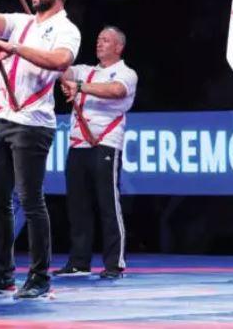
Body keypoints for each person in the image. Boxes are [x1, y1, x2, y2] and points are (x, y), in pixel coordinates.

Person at [0, 0, 81, 299]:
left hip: (32, 124)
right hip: (2, 117)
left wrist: (12, 48)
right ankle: (1, 274)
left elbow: (60, 61)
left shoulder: (66, 29)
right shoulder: (21, 22)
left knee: (30, 200)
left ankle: (40, 277)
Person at [53, 26, 137, 279]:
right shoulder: (85, 71)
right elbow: (60, 70)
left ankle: (114, 264)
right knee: (78, 205)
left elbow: (115, 91)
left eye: (106, 40)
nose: (99, 43)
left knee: (108, 204)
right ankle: (79, 261)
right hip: (78, 144)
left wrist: (79, 87)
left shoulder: (126, 73)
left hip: (105, 143)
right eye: (98, 39)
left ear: (118, 47)